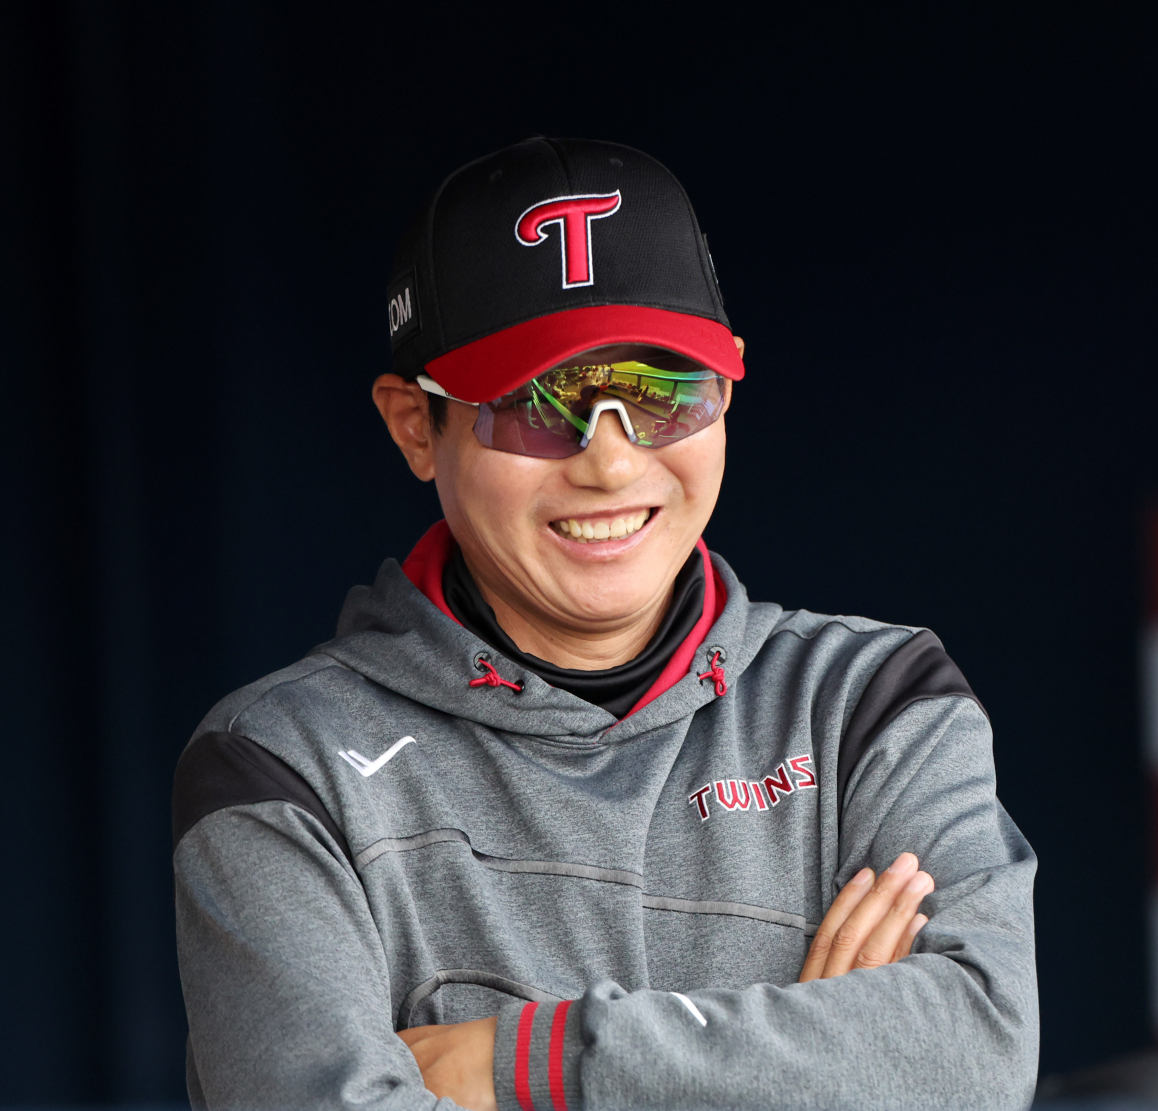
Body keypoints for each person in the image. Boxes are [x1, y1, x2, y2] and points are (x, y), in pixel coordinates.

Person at [173, 137, 1038, 1111]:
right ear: (416, 425)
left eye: (665, 392)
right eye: (541, 403)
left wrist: (534, 1058)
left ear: (730, 386)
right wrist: (814, 1063)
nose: (613, 464)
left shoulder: (874, 702)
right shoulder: (282, 764)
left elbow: (977, 1052)